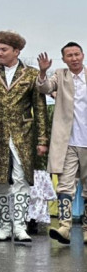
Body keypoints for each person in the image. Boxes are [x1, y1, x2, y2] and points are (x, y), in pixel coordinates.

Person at [0, 31, 50, 242]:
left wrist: (42, 140)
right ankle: (4, 226)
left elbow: (40, 109)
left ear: (17, 51)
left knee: (21, 178)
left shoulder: (31, 74)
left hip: (23, 135)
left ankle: (20, 227)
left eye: (4, 49)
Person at [38, 42, 87, 244]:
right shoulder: (60, 75)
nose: (74, 58)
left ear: (83, 55)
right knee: (65, 186)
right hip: (67, 141)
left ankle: (86, 230)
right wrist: (42, 72)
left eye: (77, 54)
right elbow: (44, 87)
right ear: (64, 59)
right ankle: (65, 227)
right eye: (69, 55)